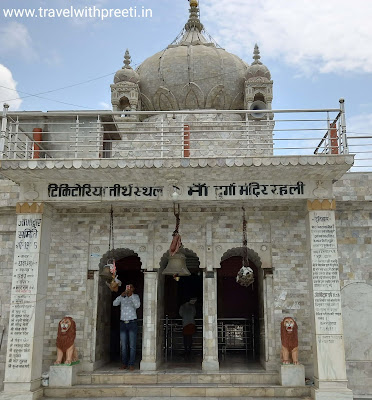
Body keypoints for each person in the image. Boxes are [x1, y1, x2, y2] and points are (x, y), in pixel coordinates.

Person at [113, 283, 140, 371]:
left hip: (132, 322)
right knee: (123, 345)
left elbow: (137, 305)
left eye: (130, 287)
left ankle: (131, 364)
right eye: (127, 287)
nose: (129, 289)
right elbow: (114, 303)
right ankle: (124, 363)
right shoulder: (122, 297)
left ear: (133, 289)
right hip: (123, 323)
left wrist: (131, 296)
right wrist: (121, 296)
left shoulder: (135, 296)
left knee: (132, 345)